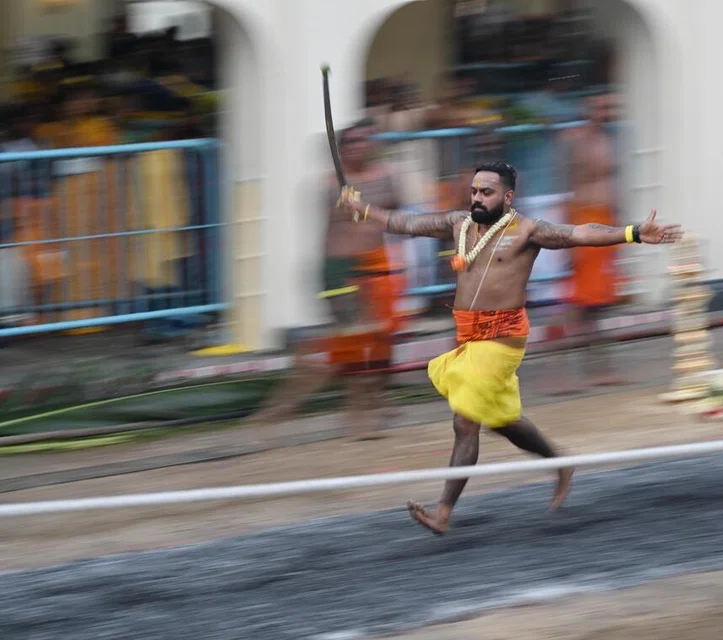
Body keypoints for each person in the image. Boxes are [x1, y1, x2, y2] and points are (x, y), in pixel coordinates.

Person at [337, 161, 682, 534]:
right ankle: (560, 463)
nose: (477, 198)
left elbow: (581, 232)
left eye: (487, 192)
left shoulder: (526, 230)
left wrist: (631, 233)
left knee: (465, 420)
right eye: (474, 191)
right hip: (470, 338)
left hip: (502, 339)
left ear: (507, 196)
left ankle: (443, 512)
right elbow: (405, 224)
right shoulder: (459, 224)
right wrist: (364, 210)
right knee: (502, 420)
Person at [247, 120, 402, 439]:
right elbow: (334, 223)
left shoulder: (386, 177)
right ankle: (356, 421)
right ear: (341, 150)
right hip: (340, 270)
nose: (360, 145)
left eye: (365, 139)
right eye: (352, 142)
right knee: (355, 344)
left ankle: (366, 400)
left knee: (376, 341)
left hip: (375, 268)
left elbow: (396, 215)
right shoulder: (330, 186)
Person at [557, 92, 625, 387]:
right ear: (588, 109)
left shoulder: (609, 141)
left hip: (605, 221)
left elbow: (612, 185)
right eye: (601, 107)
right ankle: (563, 370)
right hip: (585, 222)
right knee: (581, 303)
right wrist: (567, 235)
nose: (606, 112)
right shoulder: (576, 141)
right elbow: (568, 187)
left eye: (609, 107)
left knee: (597, 304)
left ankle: (597, 369)